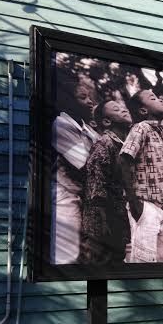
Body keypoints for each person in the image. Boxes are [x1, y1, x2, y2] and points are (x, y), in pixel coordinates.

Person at [120, 89, 163, 263]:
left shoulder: (160, 132)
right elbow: (124, 159)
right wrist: (134, 202)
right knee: (144, 259)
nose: (161, 100)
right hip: (146, 205)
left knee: (162, 258)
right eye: (153, 98)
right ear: (143, 110)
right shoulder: (141, 128)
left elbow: (153, 165)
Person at [51, 78, 98, 264]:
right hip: (66, 198)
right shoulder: (62, 125)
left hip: (84, 198)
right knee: (67, 257)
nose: (90, 101)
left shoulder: (88, 129)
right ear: (68, 101)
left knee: (86, 257)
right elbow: (86, 166)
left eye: (89, 97)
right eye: (83, 97)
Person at [81, 101, 132, 264]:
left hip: (116, 218)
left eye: (123, 107)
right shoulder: (104, 144)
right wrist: (101, 223)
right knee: (101, 266)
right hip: (103, 223)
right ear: (106, 121)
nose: (123, 110)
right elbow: (95, 186)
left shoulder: (122, 145)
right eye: (117, 109)